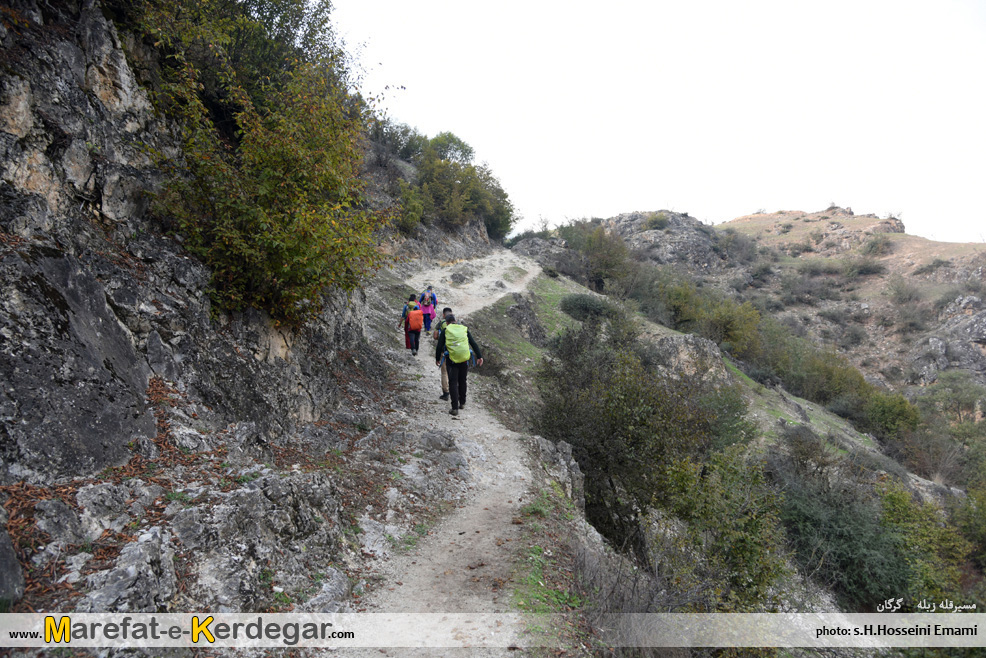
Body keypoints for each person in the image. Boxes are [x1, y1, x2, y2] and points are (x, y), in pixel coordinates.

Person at [435, 314, 483, 416]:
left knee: (453, 382)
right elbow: (473, 343)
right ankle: (462, 403)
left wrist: (437, 358)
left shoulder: (445, 331)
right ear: (455, 321)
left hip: (451, 360)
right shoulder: (464, 329)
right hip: (465, 359)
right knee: (462, 380)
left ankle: (454, 408)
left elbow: (439, 346)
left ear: (447, 323)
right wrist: (479, 356)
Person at [433, 307, 453, 400]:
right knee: (454, 372)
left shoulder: (440, 323)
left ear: (443, 315)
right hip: (456, 352)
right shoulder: (458, 324)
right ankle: (456, 392)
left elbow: (435, 336)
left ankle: (446, 393)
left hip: (444, 352)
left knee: (444, 372)